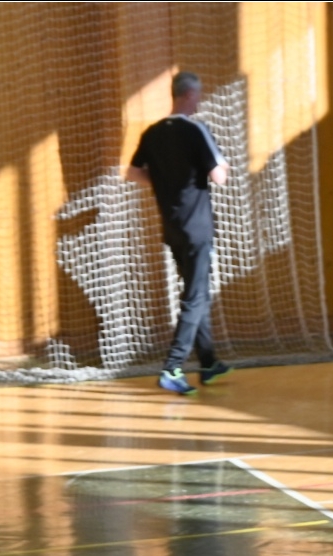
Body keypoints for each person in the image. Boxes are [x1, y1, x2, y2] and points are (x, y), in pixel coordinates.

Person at [125, 71, 230, 395]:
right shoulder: (196, 129)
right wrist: (222, 165)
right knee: (195, 297)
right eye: (198, 95)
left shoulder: (153, 133)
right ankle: (173, 367)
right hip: (197, 227)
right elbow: (219, 177)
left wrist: (163, 183)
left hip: (172, 227)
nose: (199, 101)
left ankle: (209, 362)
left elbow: (132, 172)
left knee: (197, 293)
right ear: (189, 95)